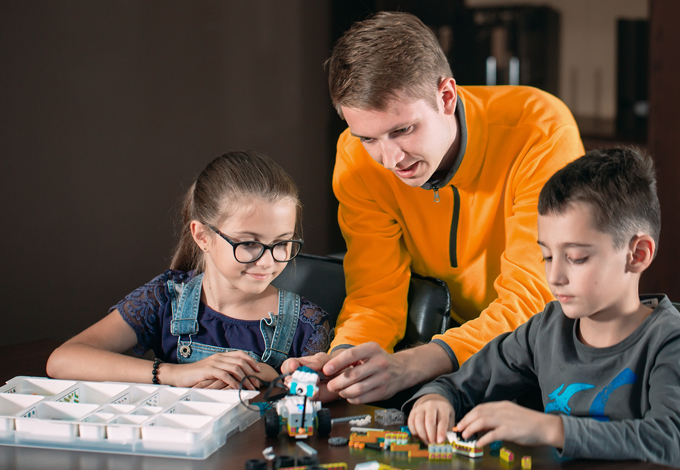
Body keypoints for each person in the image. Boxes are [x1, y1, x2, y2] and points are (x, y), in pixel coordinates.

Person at [283, 11, 584, 403]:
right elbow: (374, 295)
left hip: (544, 355)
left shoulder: (540, 130)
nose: (390, 159)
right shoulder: (357, 161)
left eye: (402, 130)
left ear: (446, 96)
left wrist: (413, 364)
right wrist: (343, 364)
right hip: (443, 356)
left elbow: (534, 298)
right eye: (368, 138)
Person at [405, 147, 680, 466]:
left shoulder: (669, 341)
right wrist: (434, 399)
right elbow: (459, 384)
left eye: (577, 258)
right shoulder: (546, 330)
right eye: (547, 256)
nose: (555, 276)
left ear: (638, 254)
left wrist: (552, 428)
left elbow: (669, 439)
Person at [47, 151, 333, 390]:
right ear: (202, 236)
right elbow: (63, 360)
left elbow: (325, 393)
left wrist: (277, 383)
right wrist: (173, 374)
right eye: (248, 243)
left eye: (282, 243)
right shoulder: (164, 299)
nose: (268, 261)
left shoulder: (308, 325)